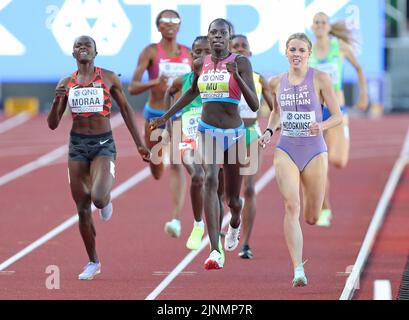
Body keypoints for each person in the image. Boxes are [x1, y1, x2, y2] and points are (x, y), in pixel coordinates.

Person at [150, 18, 259, 270]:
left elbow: (254, 104)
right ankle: (214, 250)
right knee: (210, 179)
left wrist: (238, 79)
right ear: (209, 37)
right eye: (214, 33)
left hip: (233, 134)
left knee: (233, 199)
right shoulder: (201, 64)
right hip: (206, 131)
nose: (218, 37)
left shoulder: (240, 63)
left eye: (223, 33)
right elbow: (192, 93)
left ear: (229, 37)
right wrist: (165, 118)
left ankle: (234, 223)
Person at [47, 35, 150, 280]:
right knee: (82, 209)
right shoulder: (66, 83)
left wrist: (139, 144)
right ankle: (93, 261)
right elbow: (52, 124)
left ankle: (106, 201)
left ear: (95, 52)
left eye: (87, 46)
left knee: (99, 198)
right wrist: (57, 99)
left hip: (103, 143)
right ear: (73, 54)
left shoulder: (109, 78)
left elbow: (125, 110)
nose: (82, 48)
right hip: (77, 148)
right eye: (78, 46)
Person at [259, 33, 342, 286]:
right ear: (286, 52)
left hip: (315, 150)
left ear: (309, 54)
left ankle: (314, 215)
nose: (296, 53)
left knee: (311, 217)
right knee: (291, 206)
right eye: (292, 49)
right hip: (287, 149)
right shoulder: (276, 82)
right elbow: (275, 114)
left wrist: (322, 124)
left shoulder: (320, 78)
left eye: (301, 50)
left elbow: (338, 116)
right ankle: (298, 269)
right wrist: (269, 132)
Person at [128, 9, 192, 237]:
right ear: (158, 26)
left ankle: (175, 218)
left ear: (180, 25)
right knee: (156, 170)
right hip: (154, 115)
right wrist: (155, 81)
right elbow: (133, 87)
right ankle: (158, 162)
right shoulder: (151, 52)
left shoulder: (189, 54)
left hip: (179, 115)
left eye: (175, 20)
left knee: (176, 163)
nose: (170, 24)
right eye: (165, 20)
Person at [310, 12, 368, 227]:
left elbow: (359, 69)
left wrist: (363, 94)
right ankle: (325, 208)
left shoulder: (339, 47)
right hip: (316, 110)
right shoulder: (308, 50)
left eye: (323, 22)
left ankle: (324, 205)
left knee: (339, 161)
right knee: (320, 160)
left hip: (338, 110)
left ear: (328, 26)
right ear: (312, 26)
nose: (319, 25)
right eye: (316, 22)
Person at [230, 34, 274, 259]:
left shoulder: (259, 79)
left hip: (250, 134)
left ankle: (245, 243)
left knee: (248, 188)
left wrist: (270, 130)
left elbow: (276, 109)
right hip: (225, 134)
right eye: (235, 46)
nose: (240, 49)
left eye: (243, 46)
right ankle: (228, 227)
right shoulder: (220, 77)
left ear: (250, 52)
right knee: (225, 189)